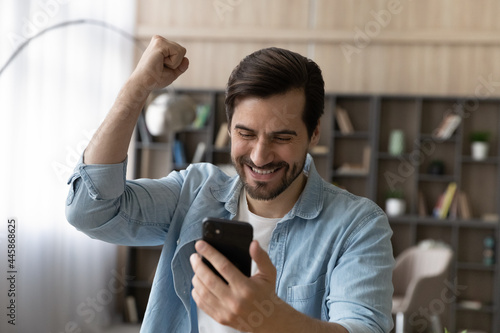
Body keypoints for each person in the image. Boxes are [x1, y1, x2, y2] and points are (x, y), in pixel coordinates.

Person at [66, 35, 394, 333]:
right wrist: (136, 90)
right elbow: (90, 211)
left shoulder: (357, 225)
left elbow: (364, 327)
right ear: (230, 127)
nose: (260, 156)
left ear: (315, 133)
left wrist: (274, 322)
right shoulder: (192, 192)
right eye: (246, 134)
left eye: (282, 137)